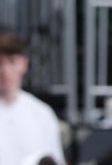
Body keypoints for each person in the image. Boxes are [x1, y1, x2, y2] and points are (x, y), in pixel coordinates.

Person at [0, 29, 65, 165]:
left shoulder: (42, 113)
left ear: (23, 64)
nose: (5, 71)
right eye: (0, 63)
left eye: (12, 61)